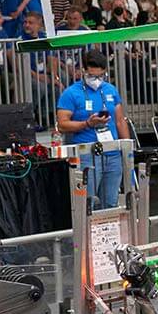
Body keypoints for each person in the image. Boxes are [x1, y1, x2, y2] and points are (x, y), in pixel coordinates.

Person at [56, 50, 129, 209]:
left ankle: (107, 233)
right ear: (83, 71)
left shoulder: (110, 90)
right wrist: (86, 124)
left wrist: (127, 149)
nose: (96, 80)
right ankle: (87, 233)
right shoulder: (70, 93)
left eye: (100, 76)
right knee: (87, 204)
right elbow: (62, 124)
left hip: (112, 153)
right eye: (92, 76)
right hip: (86, 154)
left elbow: (120, 120)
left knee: (110, 202)